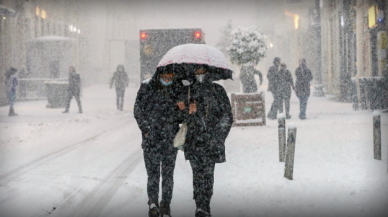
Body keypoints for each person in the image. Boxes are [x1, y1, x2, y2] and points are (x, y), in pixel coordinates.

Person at [134, 65, 186, 217]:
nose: (168, 80)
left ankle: (166, 204)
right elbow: (138, 109)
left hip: (170, 139)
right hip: (151, 139)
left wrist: (182, 109)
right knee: (153, 174)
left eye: (170, 77)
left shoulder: (178, 89)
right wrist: (146, 128)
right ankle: (153, 203)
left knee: (168, 175)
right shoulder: (147, 87)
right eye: (165, 77)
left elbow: (182, 118)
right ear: (159, 75)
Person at [184, 65, 233, 217]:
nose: (199, 74)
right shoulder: (188, 91)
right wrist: (187, 110)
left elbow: (227, 116)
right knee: (197, 175)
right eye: (197, 72)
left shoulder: (217, 91)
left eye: (202, 72)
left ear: (208, 73)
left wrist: (218, 135)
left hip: (211, 142)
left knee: (208, 175)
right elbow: (178, 115)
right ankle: (200, 206)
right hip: (193, 141)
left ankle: (205, 205)